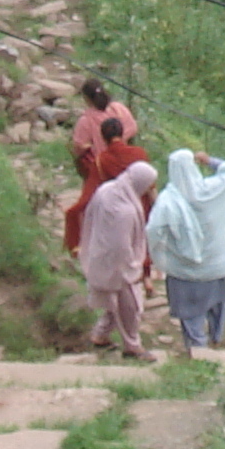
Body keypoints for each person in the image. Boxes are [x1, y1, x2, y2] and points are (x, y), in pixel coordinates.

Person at [146, 148, 225, 354]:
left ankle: (197, 347)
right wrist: (210, 161)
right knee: (217, 302)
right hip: (217, 265)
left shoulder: (168, 200)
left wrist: (161, 254)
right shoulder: (214, 189)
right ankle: (217, 338)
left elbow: (154, 229)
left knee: (190, 312)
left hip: (186, 271)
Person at [79, 158, 158, 359]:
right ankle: (133, 346)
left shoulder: (107, 190)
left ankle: (100, 335)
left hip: (99, 254)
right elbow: (122, 245)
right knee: (131, 306)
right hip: (119, 263)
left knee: (114, 301)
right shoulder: (126, 211)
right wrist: (132, 266)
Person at [64, 109, 151, 255]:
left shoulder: (101, 160)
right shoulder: (139, 153)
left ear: (103, 138)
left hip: (115, 212)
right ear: (123, 133)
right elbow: (150, 185)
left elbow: (90, 192)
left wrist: (73, 213)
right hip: (140, 209)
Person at [70, 79, 116, 172]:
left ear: (86, 98)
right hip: (119, 160)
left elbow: (79, 146)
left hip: (99, 166)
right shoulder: (116, 110)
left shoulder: (86, 120)